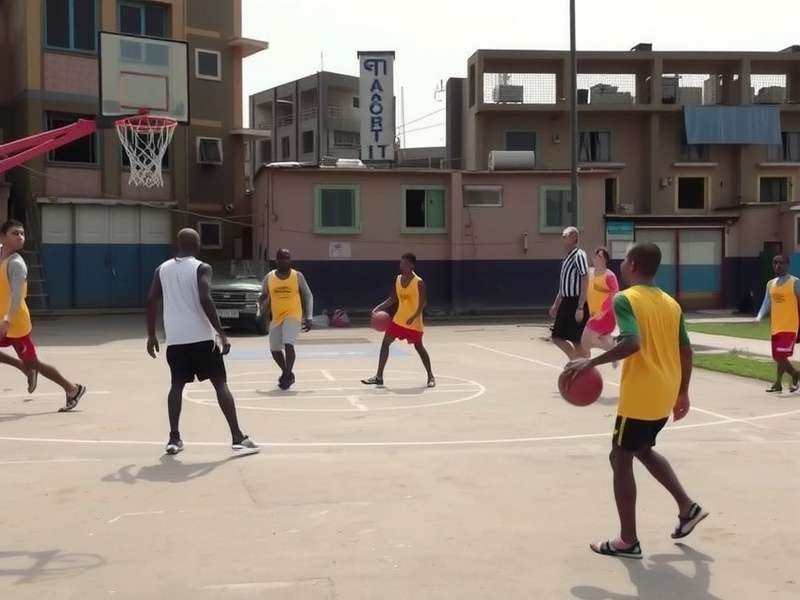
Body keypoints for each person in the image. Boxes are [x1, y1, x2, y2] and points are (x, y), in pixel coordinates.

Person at [565, 242, 708, 559]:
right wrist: (683, 391)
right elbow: (687, 350)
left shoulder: (625, 299)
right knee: (642, 449)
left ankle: (627, 540)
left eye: (624, 259)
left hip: (641, 392)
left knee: (620, 457)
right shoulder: (671, 303)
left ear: (631, 264)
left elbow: (632, 343)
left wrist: (588, 363)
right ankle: (687, 507)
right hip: (665, 389)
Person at [146, 228, 258, 457]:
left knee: (176, 385)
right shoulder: (202, 267)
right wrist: (221, 332)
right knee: (220, 384)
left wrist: (151, 334)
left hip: (176, 339)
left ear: (177, 244)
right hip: (201, 338)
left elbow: (151, 300)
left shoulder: (162, 269)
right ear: (197, 245)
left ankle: (174, 438)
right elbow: (205, 297)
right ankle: (237, 436)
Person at [0, 219, 86, 411]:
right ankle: (24, 367)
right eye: (15, 233)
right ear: (3, 237)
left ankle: (72, 389)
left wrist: (7, 320)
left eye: (22, 233)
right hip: (2, 318)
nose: (21, 237)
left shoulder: (16, 264)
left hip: (15, 322)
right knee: (29, 362)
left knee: (33, 362)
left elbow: (16, 295)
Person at [362, 252, 435, 388]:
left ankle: (430, 376)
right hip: (399, 320)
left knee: (419, 347)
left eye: (404, 263)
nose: (401, 265)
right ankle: (379, 377)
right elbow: (393, 299)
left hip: (414, 322)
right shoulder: (398, 279)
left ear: (412, 265)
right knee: (385, 343)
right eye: (401, 262)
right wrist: (377, 308)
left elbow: (423, 303)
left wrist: (413, 317)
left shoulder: (418, 282)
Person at [259, 248, 313, 390]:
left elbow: (308, 295)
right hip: (276, 317)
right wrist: (261, 307)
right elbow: (263, 295)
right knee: (274, 349)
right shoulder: (269, 277)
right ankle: (286, 372)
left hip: (293, 315)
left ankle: (287, 375)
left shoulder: (297, 276)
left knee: (288, 343)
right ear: (276, 260)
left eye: (288, 258)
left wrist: (309, 316)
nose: (285, 261)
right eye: (282, 258)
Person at [754, 254, 800, 393]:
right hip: (776, 326)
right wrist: (758, 317)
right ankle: (780, 383)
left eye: (781, 263)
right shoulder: (771, 284)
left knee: (780, 356)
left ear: (787, 264)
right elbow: (766, 303)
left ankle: (794, 375)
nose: (777, 266)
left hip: (790, 326)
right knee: (778, 356)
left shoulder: (795, 282)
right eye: (775, 263)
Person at [549, 226, 590, 360]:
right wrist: (556, 304)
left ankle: (582, 366)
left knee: (577, 340)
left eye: (565, 236)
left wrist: (580, 306)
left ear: (573, 238)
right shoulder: (567, 258)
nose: (562, 239)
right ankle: (576, 361)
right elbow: (563, 285)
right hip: (566, 302)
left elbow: (585, 277)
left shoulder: (579, 255)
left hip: (575, 301)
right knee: (557, 337)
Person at [582, 247, 619, 362]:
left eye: (600, 256)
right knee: (597, 340)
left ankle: (586, 365)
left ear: (605, 260)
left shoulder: (609, 276)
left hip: (605, 315)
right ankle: (613, 350)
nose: (596, 258)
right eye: (596, 255)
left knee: (585, 341)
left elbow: (614, 295)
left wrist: (602, 311)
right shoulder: (590, 272)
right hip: (594, 314)